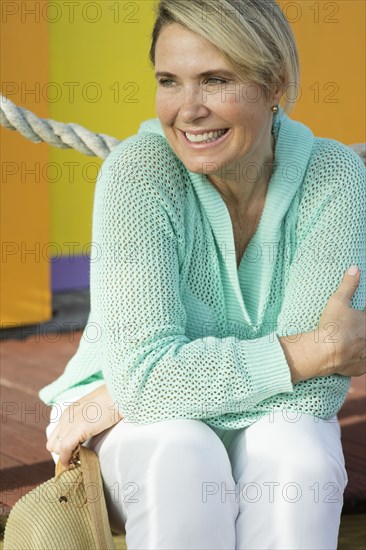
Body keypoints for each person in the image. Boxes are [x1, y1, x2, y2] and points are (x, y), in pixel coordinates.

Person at [40, 1, 365, 548]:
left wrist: (130, 389)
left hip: (126, 402)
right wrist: (308, 352)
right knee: (183, 455)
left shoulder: (334, 177)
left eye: (216, 80)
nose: (188, 110)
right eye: (170, 81)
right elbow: (319, 358)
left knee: (299, 460)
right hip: (121, 428)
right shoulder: (139, 174)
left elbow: (310, 400)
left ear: (275, 83)